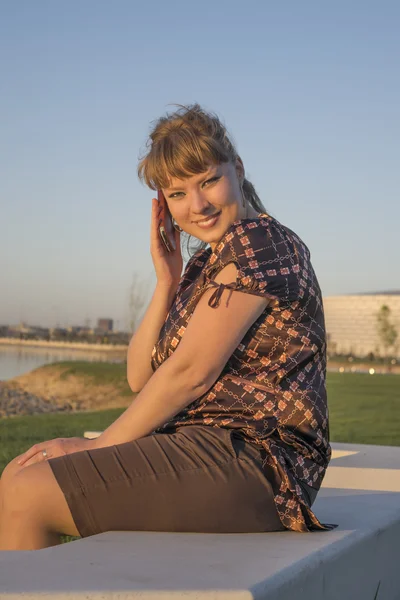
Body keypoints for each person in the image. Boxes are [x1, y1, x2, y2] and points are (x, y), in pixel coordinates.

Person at [0, 104, 337, 550]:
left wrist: (97, 446)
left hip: (260, 462)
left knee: (26, 492)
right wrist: (167, 280)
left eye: (208, 181)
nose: (196, 205)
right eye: (177, 194)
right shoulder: (205, 266)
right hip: (207, 447)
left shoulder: (262, 243)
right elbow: (141, 377)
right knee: (18, 474)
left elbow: (190, 374)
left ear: (236, 169)